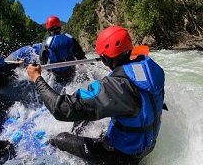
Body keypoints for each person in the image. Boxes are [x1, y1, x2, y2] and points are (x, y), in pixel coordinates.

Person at [26, 26, 165, 164]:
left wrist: (37, 78)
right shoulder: (150, 69)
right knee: (85, 117)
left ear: (105, 58)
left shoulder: (116, 86)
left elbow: (62, 109)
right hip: (146, 146)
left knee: (61, 138)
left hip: (122, 157)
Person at [40, 15, 87, 82]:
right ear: (60, 26)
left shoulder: (45, 43)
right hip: (71, 71)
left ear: (48, 29)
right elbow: (80, 55)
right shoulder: (70, 38)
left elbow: (42, 60)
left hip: (56, 74)